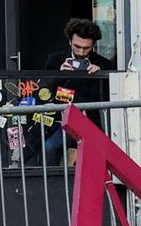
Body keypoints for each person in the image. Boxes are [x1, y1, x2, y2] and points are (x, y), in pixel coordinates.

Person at [38, 18, 112, 161]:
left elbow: (106, 96)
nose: (81, 52)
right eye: (77, 46)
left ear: (94, 45)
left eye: (87, 48)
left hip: (90, 122)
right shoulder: (55, 60)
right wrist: (60, 75)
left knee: (95, 153)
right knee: (50, 147)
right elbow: (45, 92)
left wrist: (100, 77)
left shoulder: (103, 64)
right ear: (70, 41)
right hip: (62, 121)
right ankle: (51, 183)